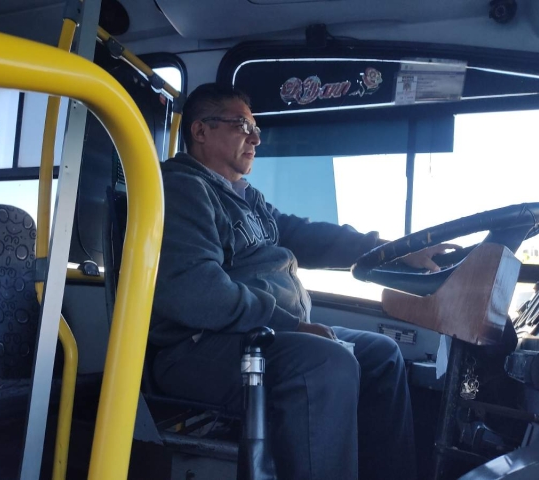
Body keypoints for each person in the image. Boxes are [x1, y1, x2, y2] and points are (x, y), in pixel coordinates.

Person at [150, 83, 450, 480]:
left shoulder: (247, 199)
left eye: (255, 127)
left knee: (380, 354)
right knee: (325, 362)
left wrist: (396, 249)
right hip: (196, 347)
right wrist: (293, 326)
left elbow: (309, 236)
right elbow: (195, 291)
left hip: (259, 336)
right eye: (243, 125)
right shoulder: (182, 189)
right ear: (201, 131)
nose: (256, 137)